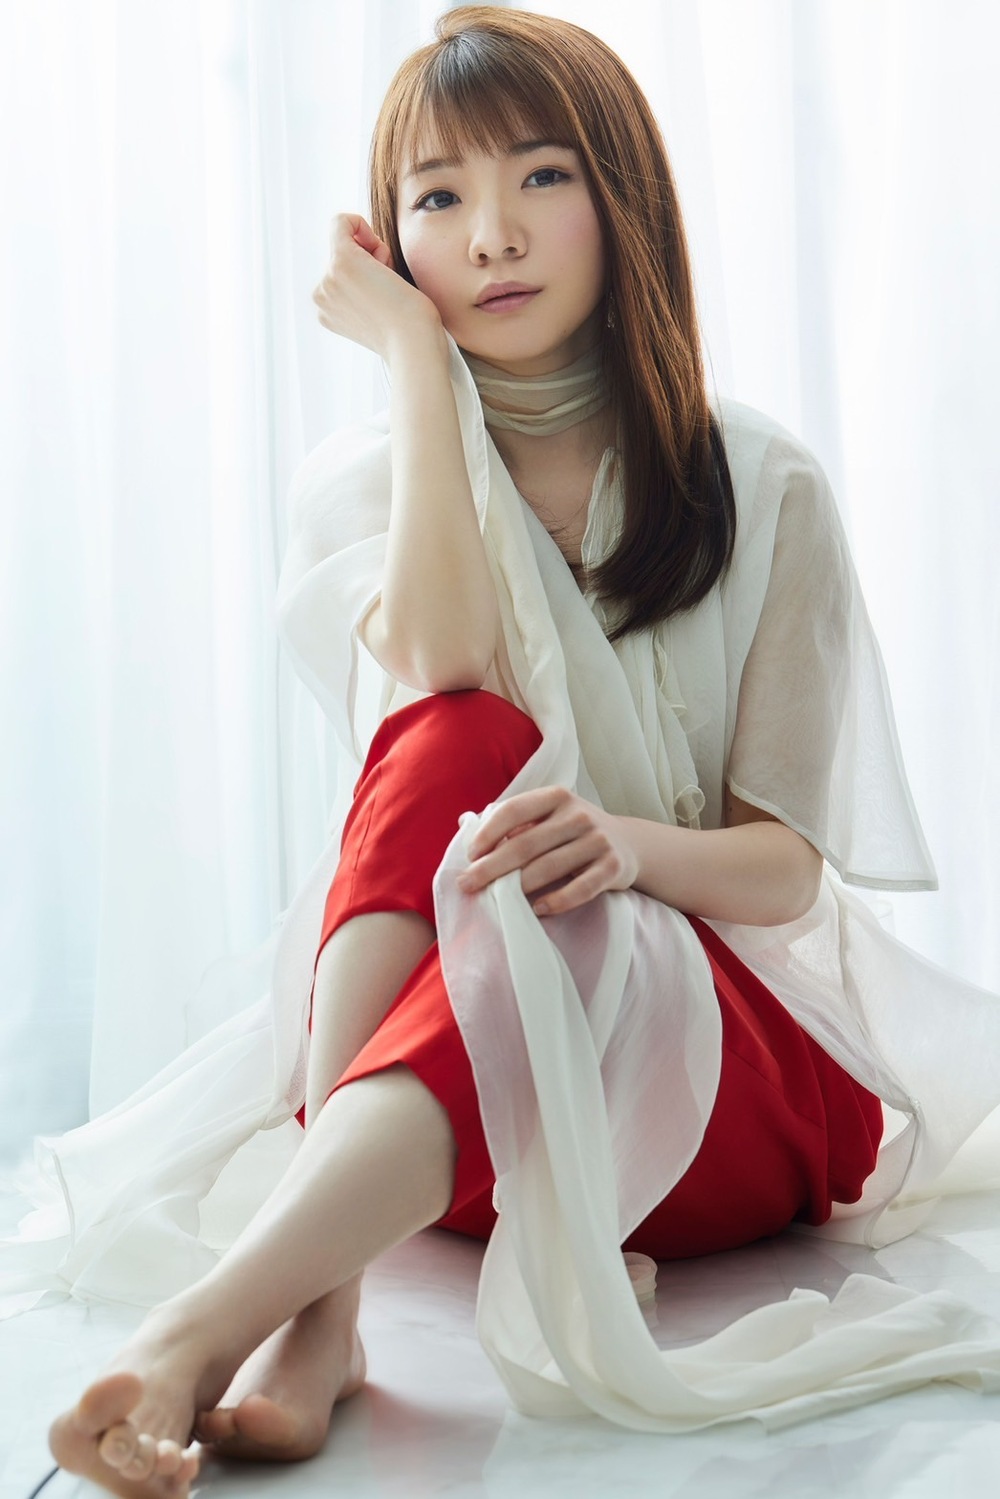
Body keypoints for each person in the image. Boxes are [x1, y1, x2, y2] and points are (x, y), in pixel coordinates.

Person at [32, 5, 1000, 1493]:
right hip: (477, 1119)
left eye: (543, 176)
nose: (492, 235)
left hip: (731, 1100)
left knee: (570, 912)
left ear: (623, 198)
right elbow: (442, 669)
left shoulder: (760, 481)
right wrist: (418, 375)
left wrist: (622, 852)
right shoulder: (371, 482)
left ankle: (198, 1333)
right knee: (455, 738)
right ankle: (325, 1312)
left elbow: (786, 870)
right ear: (392, 244)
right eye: (439, 197)